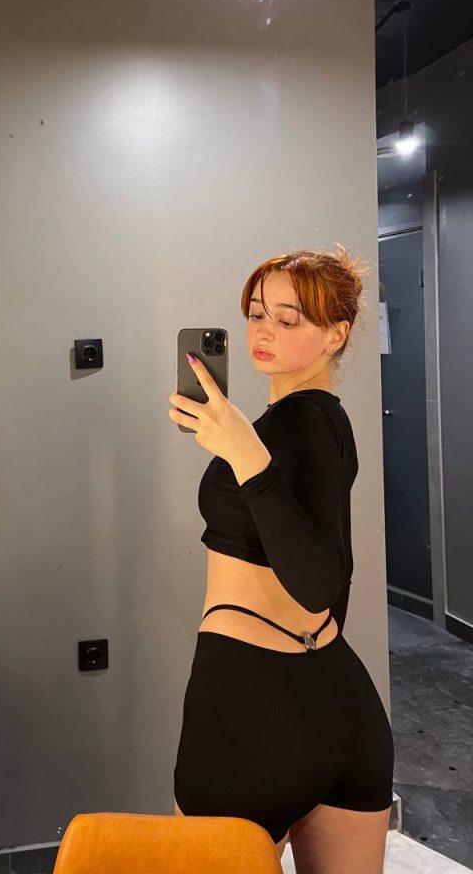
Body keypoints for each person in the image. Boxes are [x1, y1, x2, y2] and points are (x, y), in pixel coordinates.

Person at [169, 246, 395, 873]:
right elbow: (332, 572)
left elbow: (319, 582)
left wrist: (243, 453)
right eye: (256, 313)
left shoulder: (300, 423)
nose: (263, 331)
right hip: (337, 703)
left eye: (288, 319)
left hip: (249, 708)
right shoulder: (321, 420)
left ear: (336, 335)